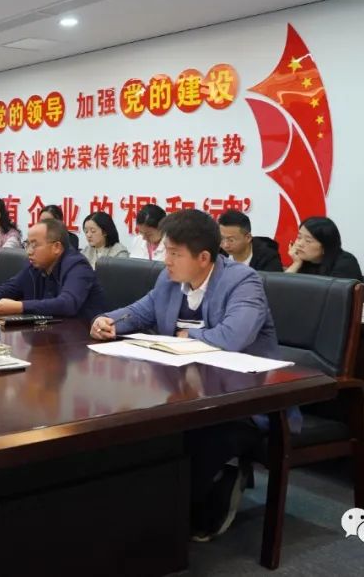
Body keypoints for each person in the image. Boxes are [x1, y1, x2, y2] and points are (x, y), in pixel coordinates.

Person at [90, 209, 281, 542]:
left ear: (204, 257)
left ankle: (186, 514)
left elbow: (233, 336)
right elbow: (139, 312)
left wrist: (185, 336)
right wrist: (108, 321)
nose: (166, 260)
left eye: (175, 253)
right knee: (138, 430)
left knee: (198, 441)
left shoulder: (242, 281)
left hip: (243, 400)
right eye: (166, 251)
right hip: (186, 393)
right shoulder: (169, 280)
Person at [0, 219, 107, 321]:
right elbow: (8, 289)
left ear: (56, 247)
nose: (29, 251)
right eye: (27, 244)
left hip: (81, 339)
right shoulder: (35, 266)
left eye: (34, 245)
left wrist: (20, 307)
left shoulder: (77, 266)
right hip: (48, 334)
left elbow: (67, 304)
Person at [284, 216, 363, 280]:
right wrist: (296, 264)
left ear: (325, 246)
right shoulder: (303, 262)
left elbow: (333, 293)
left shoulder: (345, 263)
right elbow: (281, 287)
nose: (299, 244)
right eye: (299, 237)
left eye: (308, 241)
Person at [217, 210, 282, 272]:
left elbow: (275, 279)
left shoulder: (268, 257)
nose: (225, 245)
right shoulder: (217, 253)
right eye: (221, 238)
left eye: (231, 240)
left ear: (248, 238)